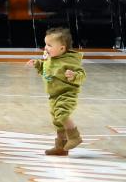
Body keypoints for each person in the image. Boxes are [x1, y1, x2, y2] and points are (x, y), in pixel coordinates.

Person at [25, 26, 86, 156]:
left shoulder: (70, 61)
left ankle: (75, 137)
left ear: (62, 48)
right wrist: (37, 64)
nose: (45, 47)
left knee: (62, 114)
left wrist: (74, 75)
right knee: (58, 122)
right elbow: (46, 71)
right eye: (45, 44)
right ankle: (60, 147)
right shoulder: (50, 59)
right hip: (53, 96)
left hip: (67, 94)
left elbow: (82, 75)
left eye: (49, 45)